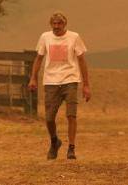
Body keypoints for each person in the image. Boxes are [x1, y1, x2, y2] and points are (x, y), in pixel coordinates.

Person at [28, 12, 91, 160]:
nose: (56, 26)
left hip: (70, 79)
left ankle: (71, 148)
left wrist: (86, 84)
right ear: (51, 25)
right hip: (51, 81)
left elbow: (81, 60)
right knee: (49, 118)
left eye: (59, 23)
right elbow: (39, 58)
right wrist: (33, 78)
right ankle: (55, 141)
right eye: (54, 24)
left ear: (65, 24)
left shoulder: (74, 37)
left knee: (71, 115)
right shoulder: (45, 37)